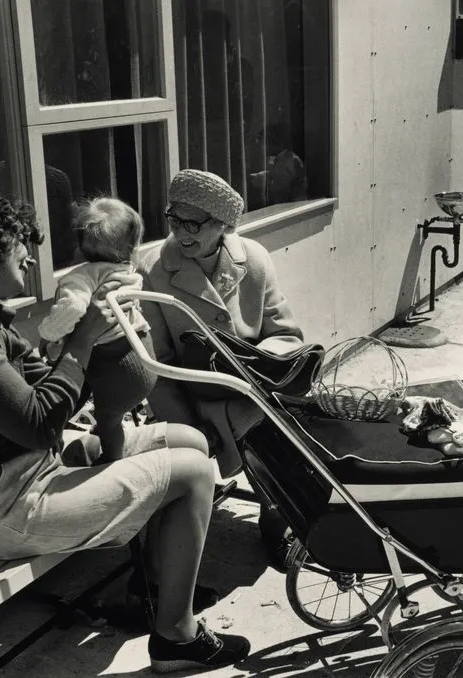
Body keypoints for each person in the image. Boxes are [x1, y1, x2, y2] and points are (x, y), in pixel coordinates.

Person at [0, 195, 250, 673]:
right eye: (20, 244)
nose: (30, 254)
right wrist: (82, 341)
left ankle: (150, 592)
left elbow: (49, 386)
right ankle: (176, 637)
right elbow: (40, 420)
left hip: (26, 468)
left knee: (189, 440)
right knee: (190, 473)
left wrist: (102, 351)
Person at [138, 168, 304, 568]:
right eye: (173, 220)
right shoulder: (154, 270)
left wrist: (257, 366)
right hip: (190, 393)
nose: (181, 233)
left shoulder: (255, 260)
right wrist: (187, 425)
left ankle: (277, 511)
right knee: (253, 424)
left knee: (276, 418)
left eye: (193, 223)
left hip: (251, 382)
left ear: (222, 226)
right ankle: (275, 509)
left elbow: (286, 334)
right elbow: (156, 365)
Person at [38, 197, 156, 464]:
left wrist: (47, 334)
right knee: (106, 415)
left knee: (107, 421)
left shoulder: (81, 277)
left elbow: (72, 309)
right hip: (143, 354)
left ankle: (114, 462)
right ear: (132, 247)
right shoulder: (128, 271)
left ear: (81, 245)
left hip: (116, 366)